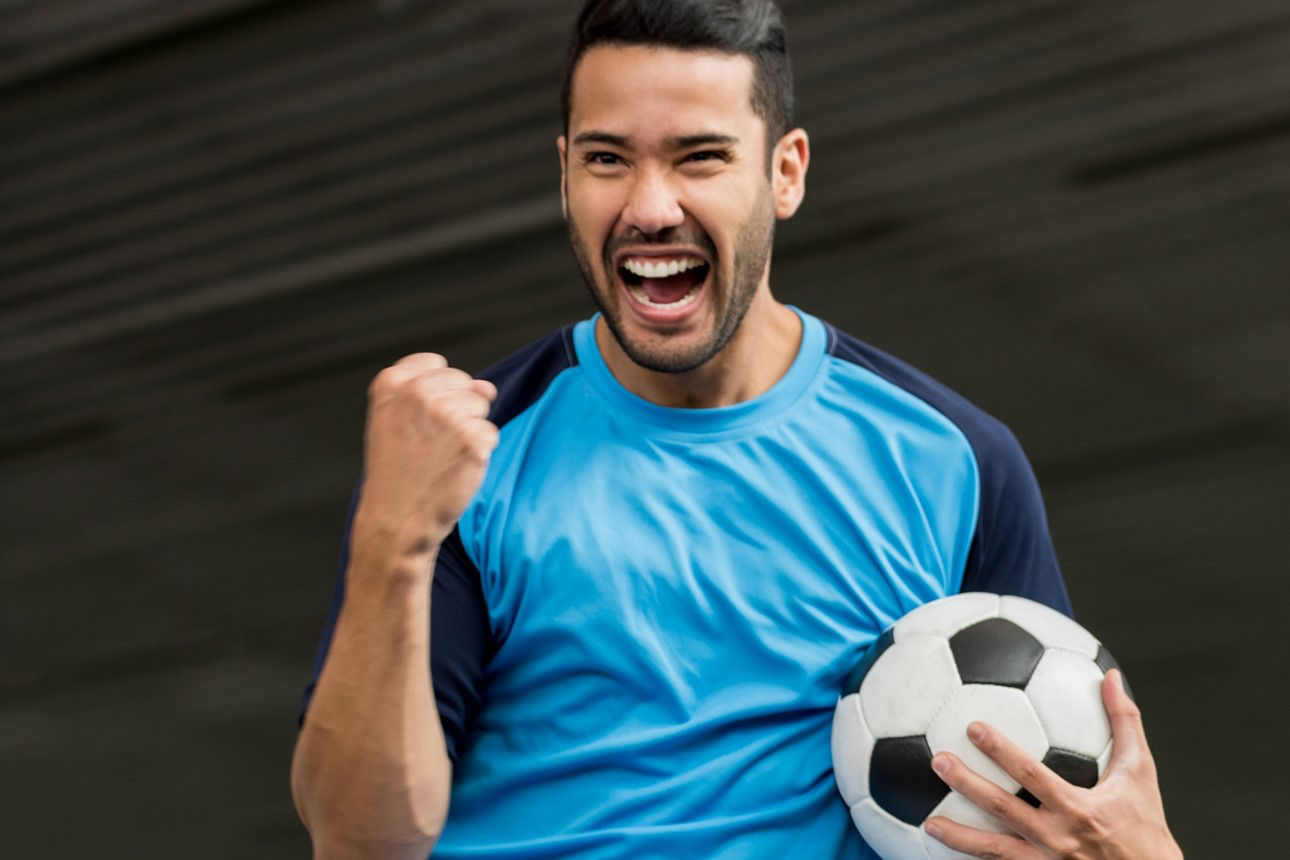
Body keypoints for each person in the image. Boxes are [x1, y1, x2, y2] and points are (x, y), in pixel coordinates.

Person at [291, 1, 1182, 857]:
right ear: (563, 172)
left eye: (699, 158)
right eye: (607, 160)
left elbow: (1052, 818)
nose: (648, 207)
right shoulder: (470, 457)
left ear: (784, 172)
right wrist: (391, 543)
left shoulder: (952, 461)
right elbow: (360, 842)